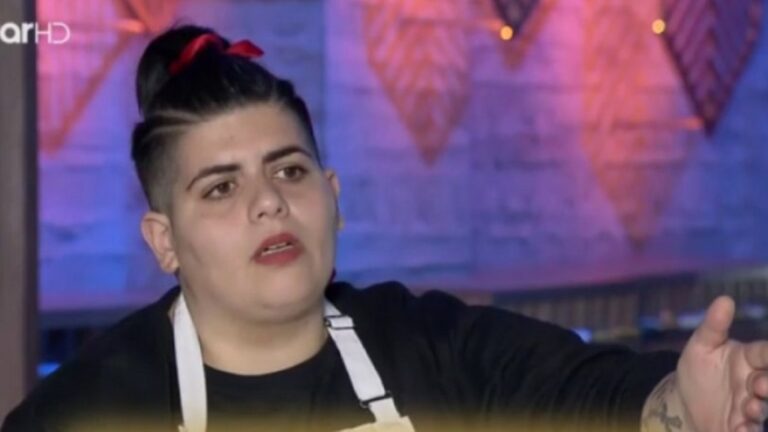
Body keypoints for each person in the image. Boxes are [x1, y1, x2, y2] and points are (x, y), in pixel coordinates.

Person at [3, 24, 768, 432]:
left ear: (332, 197)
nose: (269, 203)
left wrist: (683, 405)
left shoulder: (432, 345)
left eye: (289, 170)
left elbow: (583, 394)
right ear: (163, 240)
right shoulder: (86, 409)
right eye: (221, 187)